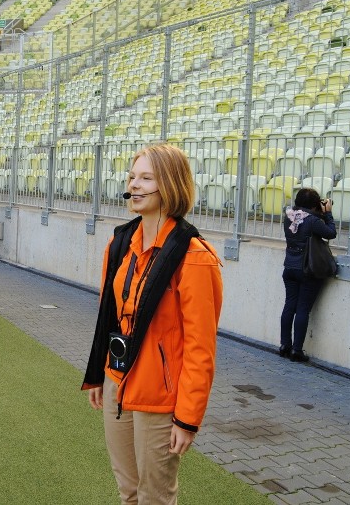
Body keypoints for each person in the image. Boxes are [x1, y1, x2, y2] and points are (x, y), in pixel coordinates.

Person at [82, 144, 223, 505]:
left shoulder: (193, 256)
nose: (135, 186)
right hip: (118, 383)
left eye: (147, 178)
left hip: (160, 400)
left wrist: (187, 418)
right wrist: (100, 373)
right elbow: (108, 315)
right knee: (128, 491)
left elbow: (200, 348)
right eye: (132, 177)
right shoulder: (120, 242)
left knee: (154, 497)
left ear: (171, 185)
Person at [280, 188, 336, 363]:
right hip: (307, 270)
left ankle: (284, 345)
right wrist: (327, 214)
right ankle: (297, 350)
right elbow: (331, 233)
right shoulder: (313, 221)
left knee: (289, 306)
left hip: (289, 266)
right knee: (303, 309)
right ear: (314, 205)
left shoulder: (288, 216)